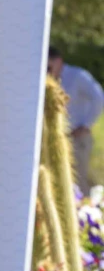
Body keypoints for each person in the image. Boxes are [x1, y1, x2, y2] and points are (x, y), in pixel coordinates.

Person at [48, 46, 104, 189]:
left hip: (77, 138)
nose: (47, 71)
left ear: (58, 61)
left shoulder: (78, 76)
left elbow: (99, 98)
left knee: (77, 182)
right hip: (56, 138)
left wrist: (85, 125)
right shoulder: (47, 80)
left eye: (49, 66)